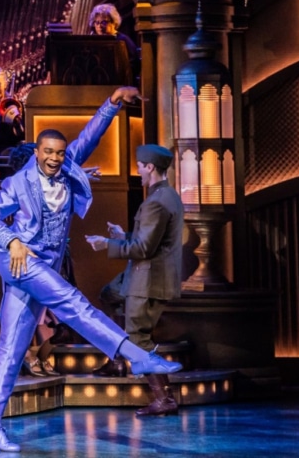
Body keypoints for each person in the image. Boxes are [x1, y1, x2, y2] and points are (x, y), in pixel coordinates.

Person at [0, 87, 182, 451]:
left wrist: (113, 103)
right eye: (48, 153)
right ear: (36, 153)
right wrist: (12, 241)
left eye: (59, 153)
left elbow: (90, 135)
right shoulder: (17, 183)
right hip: (22, 262)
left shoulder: (67, 166)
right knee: (74, 304)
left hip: (44, 266)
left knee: (11, 345)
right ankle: (140, 357)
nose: (54, 159)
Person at [86, 144, 186, 416]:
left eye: (140, 166)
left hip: (148, 281)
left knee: (138, 338)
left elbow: (145, 249)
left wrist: (107, 244)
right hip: (140, 277)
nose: (138, 171)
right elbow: (148, 239)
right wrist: (122, 236)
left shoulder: (157, 202)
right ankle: (117, 356)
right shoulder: (164, 196)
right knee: (109, 294)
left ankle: (164, 399)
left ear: (150, 167)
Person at [89, 3, 141, 82]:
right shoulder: (94, 40)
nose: (99, 26)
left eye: (103, 22)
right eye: (96, 22)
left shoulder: (123, 40)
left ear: (114, 22)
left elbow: (134, 64)